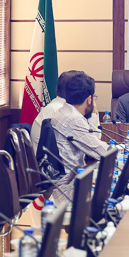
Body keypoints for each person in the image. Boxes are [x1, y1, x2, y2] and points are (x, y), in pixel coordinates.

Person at [49, 71, 111, 206]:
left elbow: (92, 140)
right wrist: (122, 148)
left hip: (70, 180)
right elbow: (103, 152)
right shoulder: (73, 119)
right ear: (89, 99)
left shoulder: (65, 111)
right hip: (67, 188)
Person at [31, 70, 100, 154]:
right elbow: (95, 143)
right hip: (49, 161)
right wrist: (93, 111)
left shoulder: (59, 106)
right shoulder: (65, 112)